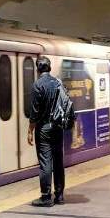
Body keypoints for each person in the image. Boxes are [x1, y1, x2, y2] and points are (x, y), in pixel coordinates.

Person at [27, 56, 65, 206]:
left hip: (44, 129)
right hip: (58, 127)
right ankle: (59, 195)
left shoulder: (37, 85)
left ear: (37, 69)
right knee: (58, 161)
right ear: (49, 68)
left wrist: (30, 130)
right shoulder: (58, 83)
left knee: (45, 162)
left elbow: (34, 112)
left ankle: (46, 197)